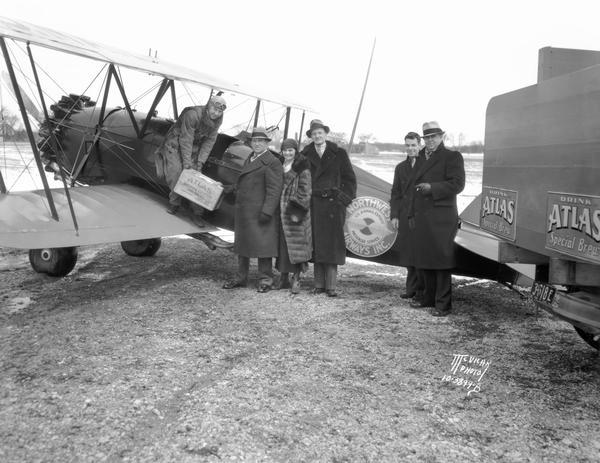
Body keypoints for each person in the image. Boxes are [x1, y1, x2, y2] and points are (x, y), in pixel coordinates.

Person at [408, 121, 465, 316]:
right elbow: (411, 189)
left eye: (434, 137)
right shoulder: (421, 156)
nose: (430, 141)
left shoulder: (452, 156)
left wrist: (433, 189)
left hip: (442, 217)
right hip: (422, 216)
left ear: (441, 137)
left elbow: (458, 184)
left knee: (441, 261)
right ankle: (428, 299)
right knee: (426, 258)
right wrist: (410, 214)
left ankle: (443, 305)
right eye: (427, 137)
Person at [223, 127, 283, 293]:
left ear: (266, 143)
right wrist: (229, 188)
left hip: (260, 212)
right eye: (254, 141)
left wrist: (267, 212)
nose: (256, 144)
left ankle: (266, 280)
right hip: (245, 211)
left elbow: (274, 190)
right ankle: (241, 278)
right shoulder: (250, 158)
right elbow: (245, 183)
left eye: (260, 141)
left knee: (263, 247)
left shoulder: (272, 162)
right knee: (243, 247)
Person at [301, 119, 356, 297]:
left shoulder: (339, 153)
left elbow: (349, 179)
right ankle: (319, 285)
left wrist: (343, 199)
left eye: (320, 133)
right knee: (317, 244)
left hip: (333, 205)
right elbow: (298, 178)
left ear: (325, 134)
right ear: (311, 136)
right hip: (314, 205)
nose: (317, 136)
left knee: (332, 246)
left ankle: (331, 286)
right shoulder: (305, 154)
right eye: (314, 133)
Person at [155, 95, 226, 226]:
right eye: (214, 109)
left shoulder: (217, 121)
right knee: (178, 173)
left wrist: (200, 162)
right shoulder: (192, 115)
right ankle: (174, 204)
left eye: (219, 111)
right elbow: (185, 139)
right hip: (175, 143)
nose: (216, 113)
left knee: (197, 178)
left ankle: (197, 213)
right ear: (208, 106)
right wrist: (187, 164)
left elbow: (209, 142)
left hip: (194, 146)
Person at [390, 131, 424, 302]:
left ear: (420, 145)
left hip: (421, 215)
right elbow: (395, 193)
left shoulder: (426, 165)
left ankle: (421, 290)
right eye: (408, 145)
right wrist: (394, 215)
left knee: (420, 253)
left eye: (413, 145)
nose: (410, 149)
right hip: (405, 215)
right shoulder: (400, 168)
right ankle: (411, 289)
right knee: (409, 253)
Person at [276, 138, 312, 294]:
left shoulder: (302, 168)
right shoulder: (280, 165)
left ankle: (296, 278)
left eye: (290, 150)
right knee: (283, 247)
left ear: (295, 151)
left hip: (295, 213)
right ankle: (283, 277)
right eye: (285, 150)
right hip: (281, 212)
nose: (288, 153)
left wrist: (294, 207)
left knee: (298, 247)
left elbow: (305, 191)